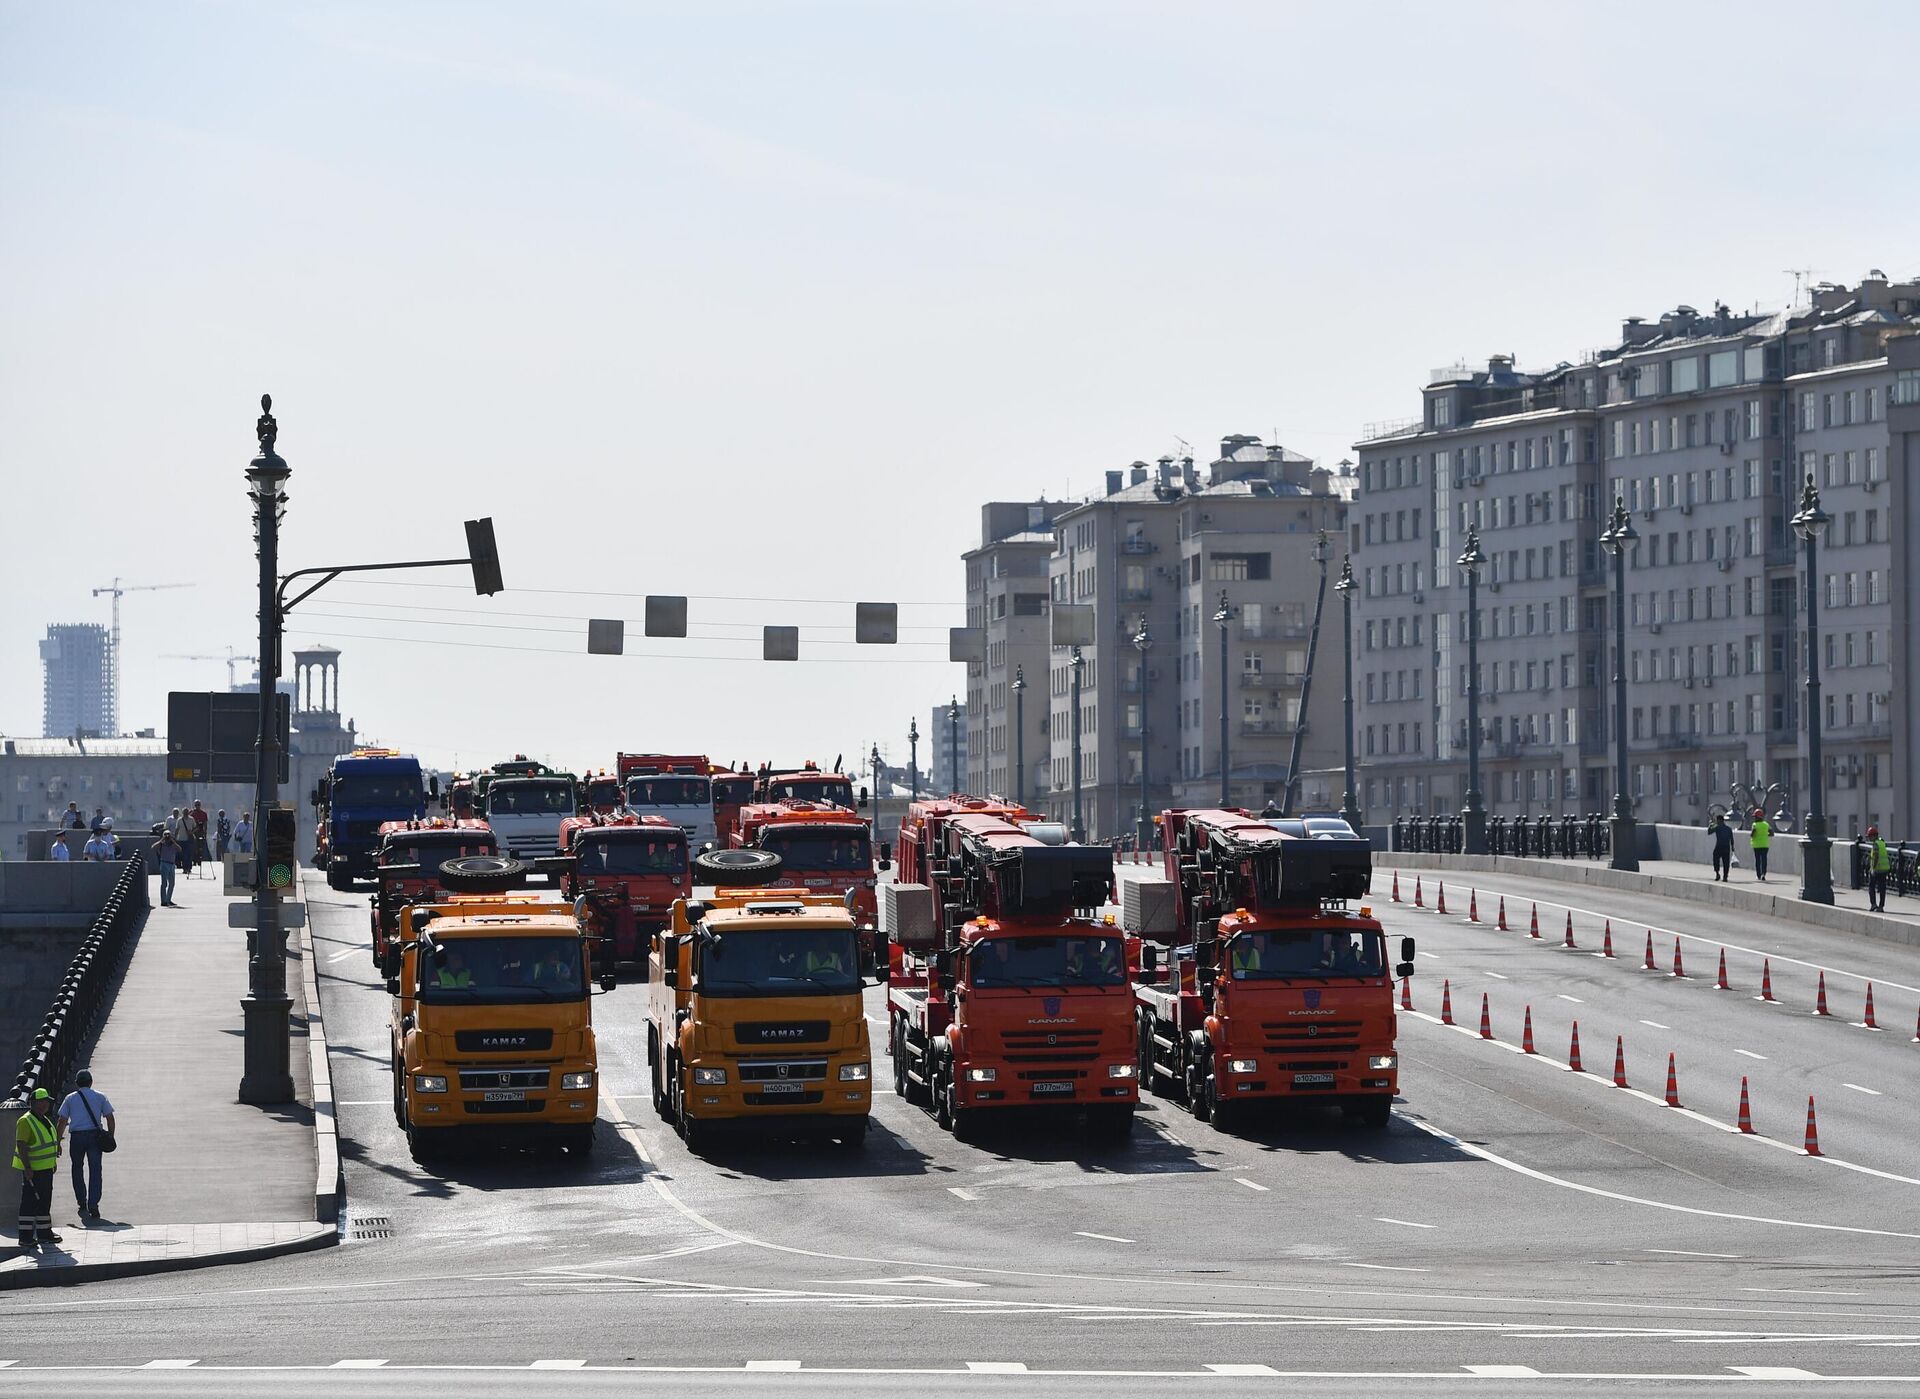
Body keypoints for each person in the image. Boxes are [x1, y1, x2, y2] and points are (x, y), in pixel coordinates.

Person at [57, 1069, 114, 1222]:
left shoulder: (70, 1098)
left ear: (76, 1083)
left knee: (77, 1167)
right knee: (95, 1169)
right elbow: (110, 1118)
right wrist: (110, 1135)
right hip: (95, 1136)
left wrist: (57, 1141)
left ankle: (81, 1200)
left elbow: (62, 1121)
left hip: (76, 1137)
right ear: (91, 1082)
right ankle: (93, 1203)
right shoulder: (100, 1097)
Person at [13, 1088, 61, 1248]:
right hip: (33, 1170)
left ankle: (44, 1233)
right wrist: (27, 1168)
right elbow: (21, 1144)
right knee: (29, 1202)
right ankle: (25, 1237)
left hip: (45, 1169)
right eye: (43, 1101)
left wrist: (53, 1162)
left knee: (44, 1202)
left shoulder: (44, 1119)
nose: (46, 1104)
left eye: (47, 1101)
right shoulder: (26, 1120)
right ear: (35, 1103)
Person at [1868, 825, 1892, 913]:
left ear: (1874, 836)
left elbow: (1876, 856)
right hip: (1884, 868)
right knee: (1882, 888)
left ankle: (1873, 904)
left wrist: (1873, 868)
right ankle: (1881, 906)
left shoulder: (1875, 844)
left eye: (1870, 836)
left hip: (1877, 869)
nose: (1869, 838)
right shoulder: (1882, 842)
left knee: (1871, 887)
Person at [154, 830, 180, 905]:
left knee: (172, 883)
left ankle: (168, 899)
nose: (167, 836)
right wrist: (161, 841)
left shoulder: (173, 844)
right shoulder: (161, 844)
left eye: (168, 834)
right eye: (165, 834)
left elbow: (179, 849)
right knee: (164, 883)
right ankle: (163, 901)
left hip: (172, 864)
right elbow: (153, 847)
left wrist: (173, 842)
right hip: (164, 863)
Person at [1749, 808, 1772, 883]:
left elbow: (1752, 834)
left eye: (1755, 817)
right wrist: (1765, 834)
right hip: (1765, 844)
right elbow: (1772, 833)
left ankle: (1758, 875)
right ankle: (1763, 874)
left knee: (1758, 860)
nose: (1754, 818)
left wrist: (1753, 835)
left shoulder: (1754, 825)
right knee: (1764, 860)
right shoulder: (1766, 824)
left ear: (1757, 817)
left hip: (1756, 845)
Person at [1710, 813, 1734, 882]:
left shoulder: (1717, 827)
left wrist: (1712, 824)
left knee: (1716, 859)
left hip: (1719, 846)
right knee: (1726, 862)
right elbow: (1731, 839)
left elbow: (1709, 831)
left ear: (1718, 820)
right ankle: (1725, 876)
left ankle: (1717, 873)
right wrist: (1732, 846)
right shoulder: (1728, 829)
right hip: (1726, 847)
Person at [189, 801, 211, 869]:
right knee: (194, 847)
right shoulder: (191, 813)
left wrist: (205, 832)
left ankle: (200, 859)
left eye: (198, 805)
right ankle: (194, 859)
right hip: (193, 832)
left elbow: (205, 823)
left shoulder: (203, 813)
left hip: (200, 832)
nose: (197, 806)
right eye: (196, 805)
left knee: (201, 847)